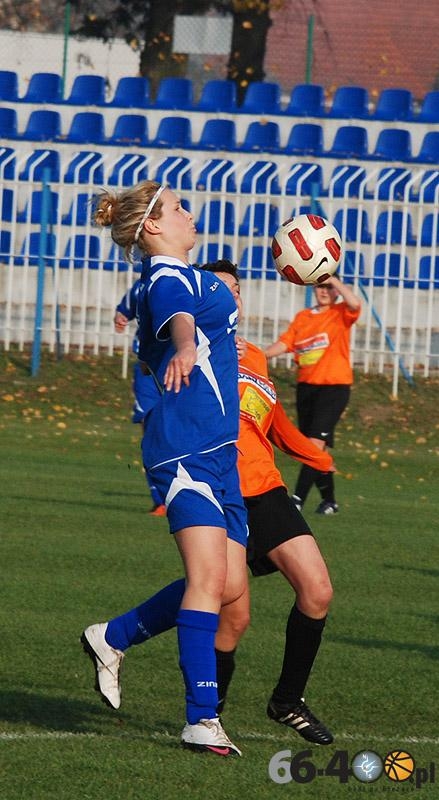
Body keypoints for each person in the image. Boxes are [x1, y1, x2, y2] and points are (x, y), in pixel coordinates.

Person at [82, 259, 335, 747]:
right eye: (221, 290)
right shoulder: (200, 351)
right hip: (218, 484)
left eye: (236, 289)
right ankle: (204, 714)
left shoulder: (255, 358)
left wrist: (314, 455)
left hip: (265, 491)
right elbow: (163, 324)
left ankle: (285, 701)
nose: (232, 296)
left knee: (314, 590)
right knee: (227, 604)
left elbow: (270, 423)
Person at [82, 183, 249, 757]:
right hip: (185, 451)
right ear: (152, 227)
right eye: (178, 207)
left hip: (219, 452)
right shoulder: (165, 277)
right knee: (208, 583)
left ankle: (114, 635)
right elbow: (178, 317)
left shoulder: (193, 274)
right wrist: (182, 344)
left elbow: (201, 316)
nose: (189, 213)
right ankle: (201, 720)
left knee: (228, 588)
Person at [265, 275, 361, 515]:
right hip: (307, 389)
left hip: (334, 388)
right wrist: (257, 354)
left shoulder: (340, 313)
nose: (325, 290)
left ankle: (296, 500)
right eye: (321, 286)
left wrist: (332, 277)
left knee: (312, 445)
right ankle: (329, 501)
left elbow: (355, 303)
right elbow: (285, 344)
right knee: (317, 450)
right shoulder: (303, 317)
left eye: (329, 287)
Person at [114, 279, 166, 516]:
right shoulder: (143, 285)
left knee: (178, 431)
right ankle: (160, 499)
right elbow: (125, 309)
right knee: (150, 429)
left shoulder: (188, 283)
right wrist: (121, 317)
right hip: (147, 369)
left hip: (178, 366)